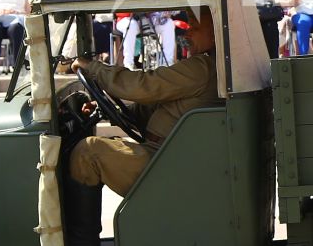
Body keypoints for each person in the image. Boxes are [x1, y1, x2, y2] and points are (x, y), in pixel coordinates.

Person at [67, 10, 221, 197]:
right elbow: (156, 106)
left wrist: (93, 68)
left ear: (216, 33)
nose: (187, 33)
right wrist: (108, 111)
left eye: (195, 28)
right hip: (168, 153)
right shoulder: (209, 68)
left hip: (165, 160)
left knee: (87, 152)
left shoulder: (202, 68)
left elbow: (144, 86)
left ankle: (79, 228)